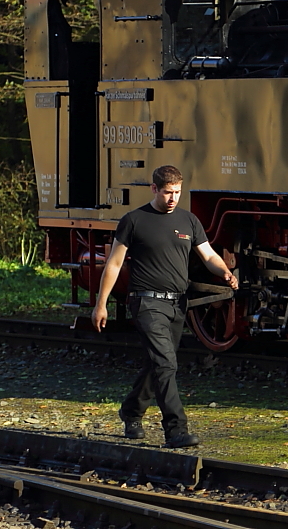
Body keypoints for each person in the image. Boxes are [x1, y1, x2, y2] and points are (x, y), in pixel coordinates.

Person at [92, 164, 238, 448]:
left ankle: (131, 412)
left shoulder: (189, 221)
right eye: (168, 193)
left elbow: (208, 255)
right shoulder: (134, 221)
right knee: (166, 363)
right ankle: (175, 430)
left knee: (157, 364)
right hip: (146, 302)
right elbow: (114, 263)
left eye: (178, 193)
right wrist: (101, 304)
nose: (173, 198)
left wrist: (224, 272)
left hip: (177, 305)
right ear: (154, 189)